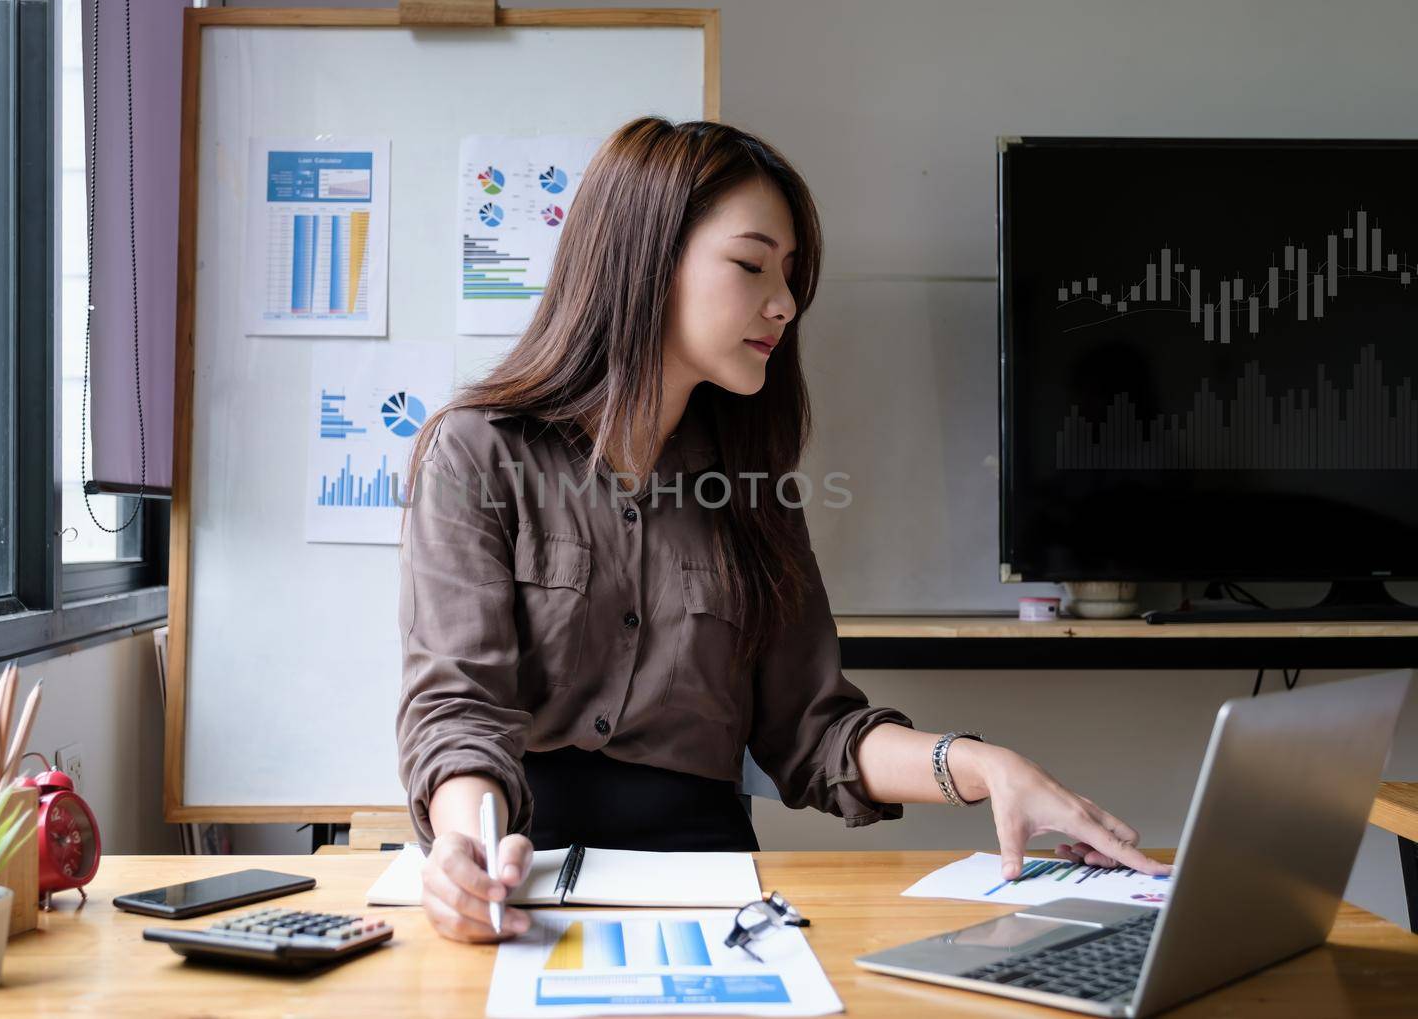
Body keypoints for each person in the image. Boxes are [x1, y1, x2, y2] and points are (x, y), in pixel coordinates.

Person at [395, 116, 1172, 944]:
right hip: (523, 872)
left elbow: (814, 730)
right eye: (751, 263)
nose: (786, 303)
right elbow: (457, 707)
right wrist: (461, 847)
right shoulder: (478, 450)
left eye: (792, 275)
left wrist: (983, 765)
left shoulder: (752, 484)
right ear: (647, 261)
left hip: (712, 888)